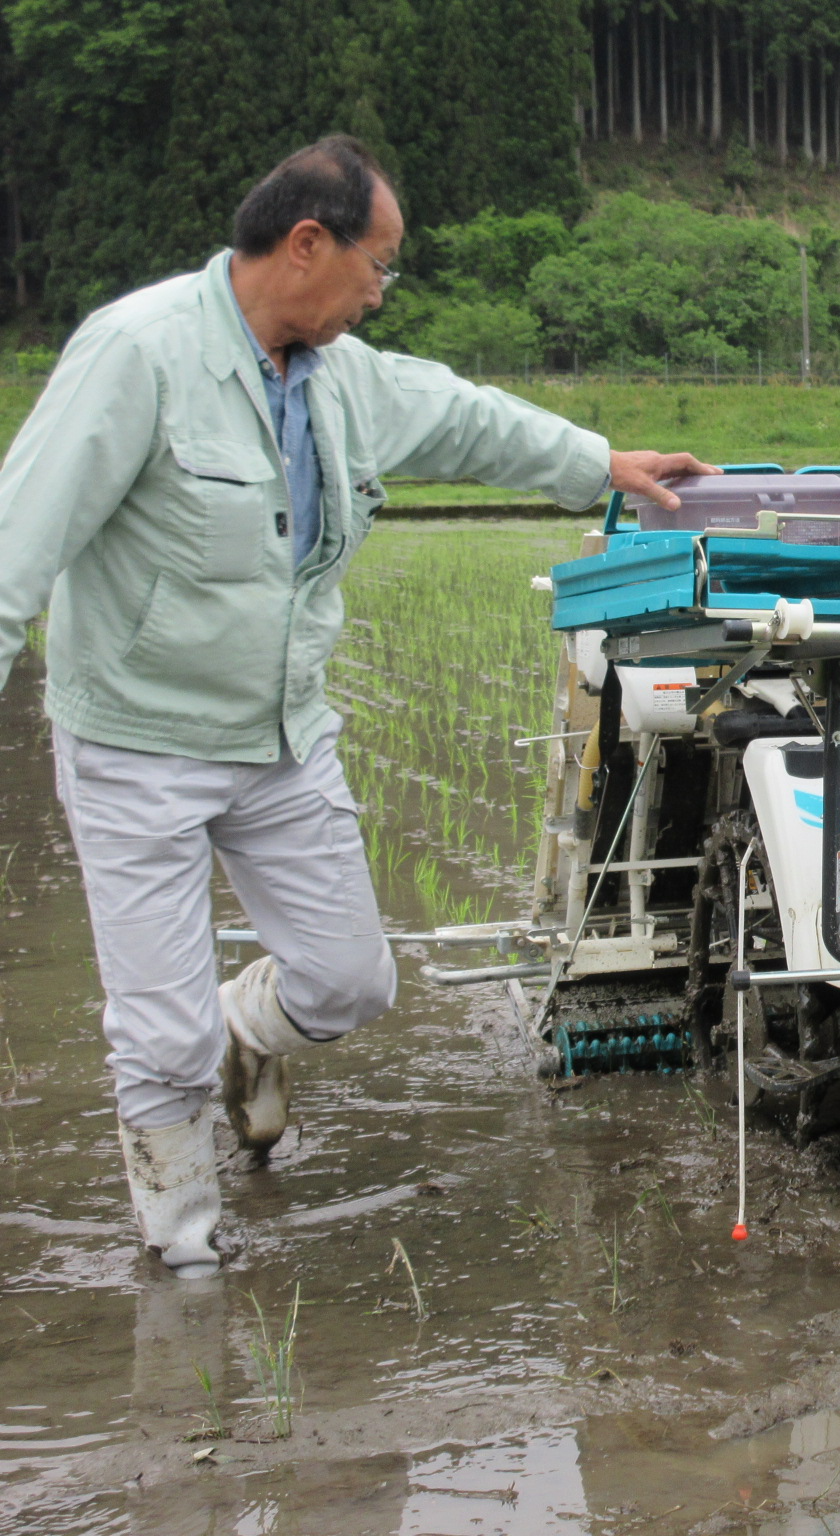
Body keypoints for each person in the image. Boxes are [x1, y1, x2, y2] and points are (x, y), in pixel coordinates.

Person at [0, 136, 719, 1280]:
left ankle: (247, 1032)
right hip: (137, 740)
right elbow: (16, 543)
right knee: (160, 1038)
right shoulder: (137, 356)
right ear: (305, 245)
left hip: (280, 739)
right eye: (376, 267)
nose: (382, 293)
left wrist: (601, 461)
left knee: (349, 980)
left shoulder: (340, 381)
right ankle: (183, 1262)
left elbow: (466, 417)